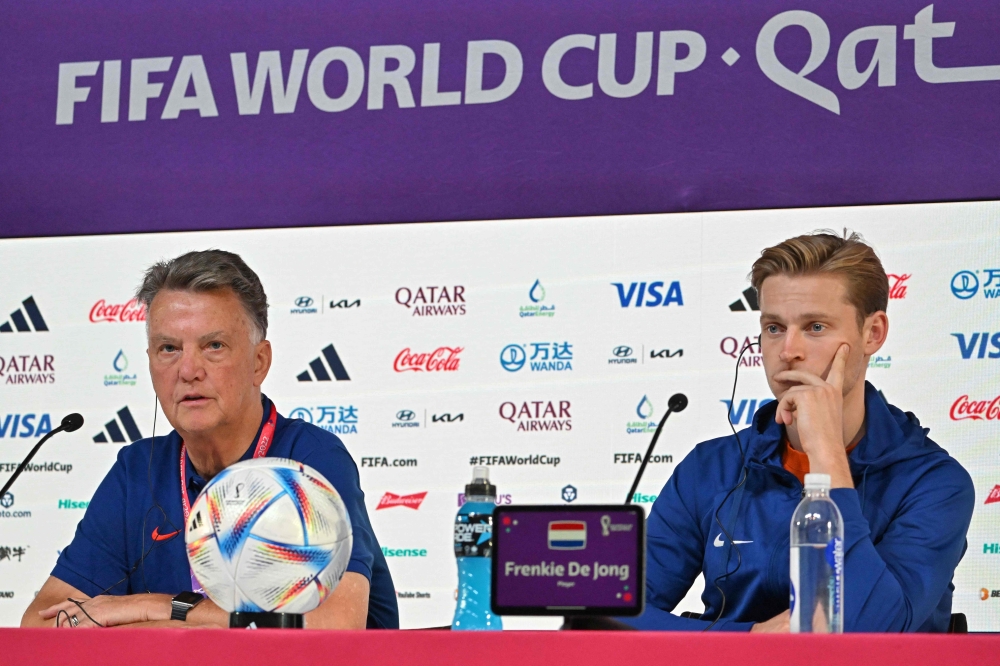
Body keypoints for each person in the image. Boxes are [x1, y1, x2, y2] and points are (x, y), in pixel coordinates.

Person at [21, 250, 398, 629]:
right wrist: (216, 627)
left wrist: (156, 607)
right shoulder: (136, 471)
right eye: (169, 348)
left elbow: (332, 626)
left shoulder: (310, 459)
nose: (188, 370)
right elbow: (40, 626)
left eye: (213, 346)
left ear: (258, 362)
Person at [627, 231, 974, 632]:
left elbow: (874, 630)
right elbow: (615, 615)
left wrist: (826, 453)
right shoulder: (710, 468)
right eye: (774, 327)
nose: (789, 349)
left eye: (815, 327)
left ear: (872, 334)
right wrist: (752, 638)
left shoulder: (934, 482)